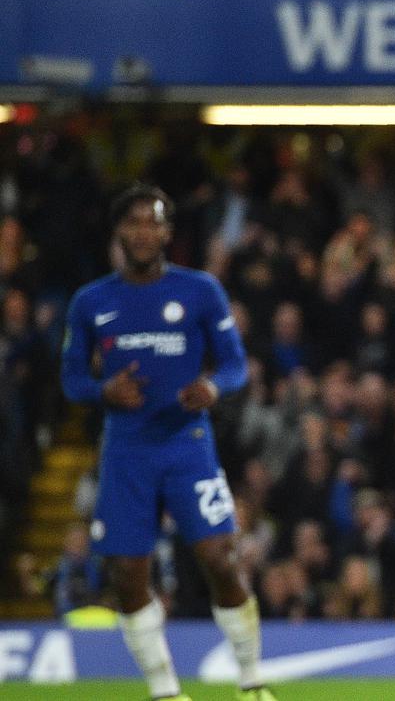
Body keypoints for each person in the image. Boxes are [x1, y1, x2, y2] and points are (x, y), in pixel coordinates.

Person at [61, 184, 274, 701]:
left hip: (187, 443)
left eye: (153, 222)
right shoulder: (91, 301)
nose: (143, 232)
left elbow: (234, 364)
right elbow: (70, 381)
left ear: (167, 231)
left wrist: (213, 387)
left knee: (221, 558)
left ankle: (251, 683)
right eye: (133, 222)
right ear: (119, 231)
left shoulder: (200, 290)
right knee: (128, 576)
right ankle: (165, 692)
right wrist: (103, 390)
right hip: (127, 451)